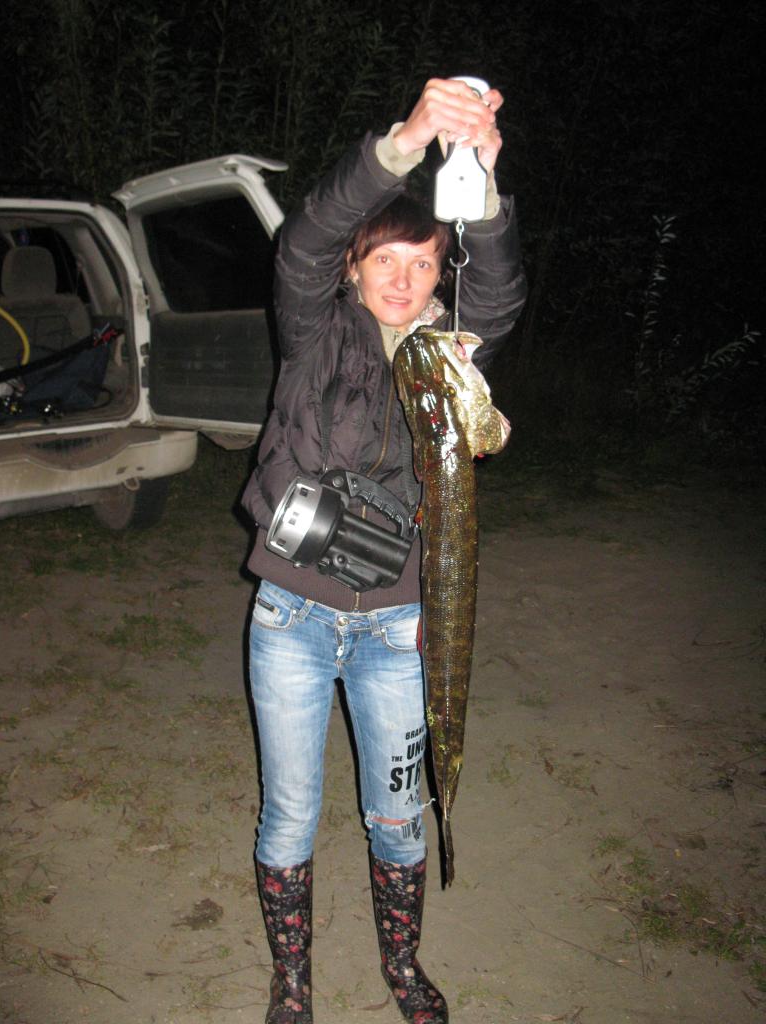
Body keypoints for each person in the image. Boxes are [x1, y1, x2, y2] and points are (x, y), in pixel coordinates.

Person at [241, 78, 527, 1024]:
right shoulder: (313, 330)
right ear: (354, 268)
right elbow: (302, 241)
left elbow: (502, 292)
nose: (403, 279)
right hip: (290, 617)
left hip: (400, 629)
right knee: (289, 813)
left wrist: (482, 181)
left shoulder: (449, 359)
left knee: (398, 816)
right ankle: (292, 981)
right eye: (384, 260)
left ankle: (402, 966)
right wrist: (405, 144)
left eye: (424, 262)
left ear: (442, 274)